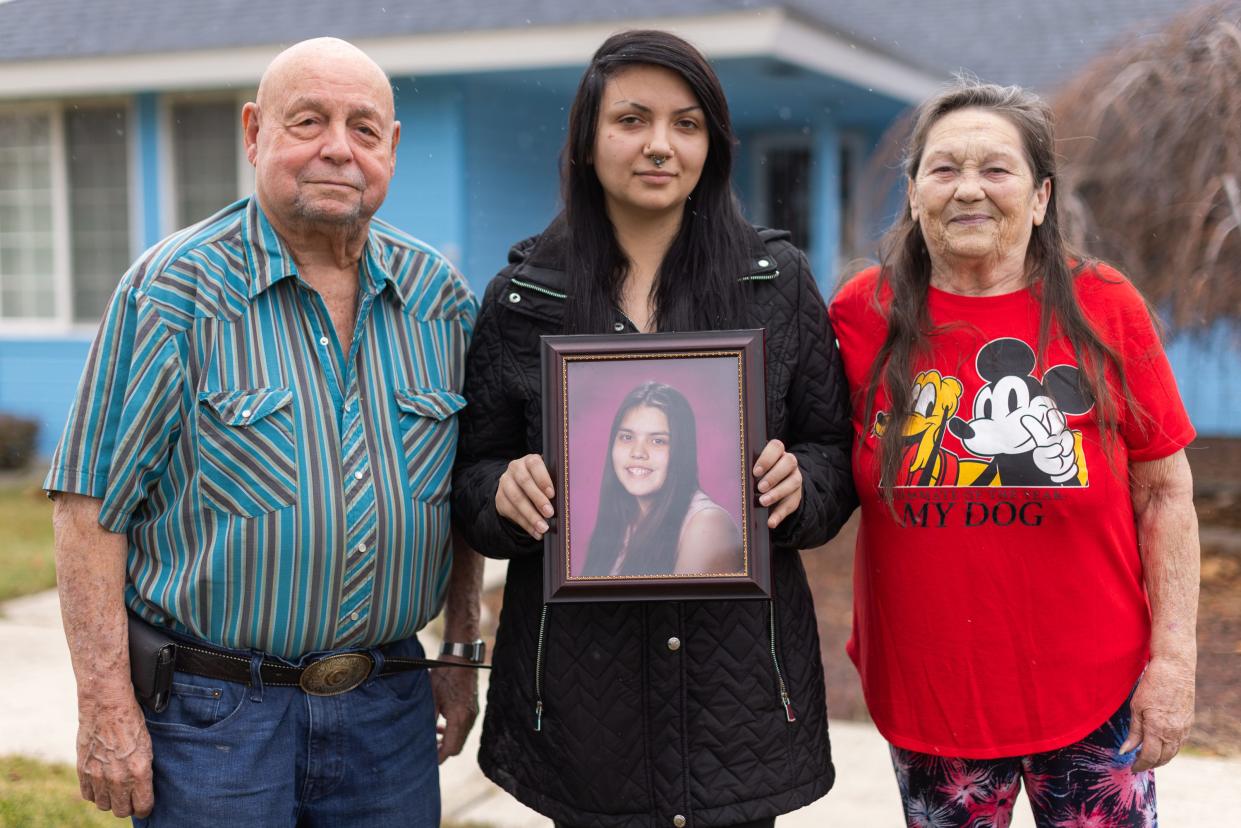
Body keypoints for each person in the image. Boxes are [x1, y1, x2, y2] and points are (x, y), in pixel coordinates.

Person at [45, 37, 483, 826]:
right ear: (254, 134)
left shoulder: (441, 301)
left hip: (388, 704)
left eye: (363, 127)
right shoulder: (172, 293)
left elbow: (462, 494)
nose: (337, 149)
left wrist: (459, 649)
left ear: (392, 146)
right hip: (213, 721)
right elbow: (87, 511)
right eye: (308, 121)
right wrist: (105, 708)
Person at [452, 29, 855, 828]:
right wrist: (502, 492)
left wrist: (799, 486)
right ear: (587, 140)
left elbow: (834, 454)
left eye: (686, 123)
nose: (659, 145)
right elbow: (469, 476)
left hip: (736, 699)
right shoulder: (522, 298)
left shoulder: (773, 284)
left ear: (713, 142)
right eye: (631, 120)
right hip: (579, 705)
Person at [828, 80, 1199, 827]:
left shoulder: (1104, 306)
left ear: (1039, 196)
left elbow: (1164, 493)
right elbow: (810, 462)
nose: (968, 189)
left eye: (995, 169)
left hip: (1098, 691)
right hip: (933, 693)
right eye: (943, 169)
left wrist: (1174, 661)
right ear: (912, 193)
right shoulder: (861, 314)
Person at [581, 380, 743, 577]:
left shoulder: (708, 525)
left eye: (658, 441)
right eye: (627, 437)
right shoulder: (623, 520)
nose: (638, 452)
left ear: (682, 451)